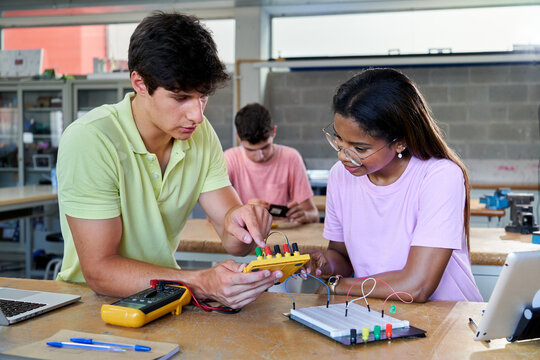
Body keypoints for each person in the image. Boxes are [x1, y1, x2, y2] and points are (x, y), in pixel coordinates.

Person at [56, 11, 282, 309]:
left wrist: (245, 222)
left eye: (203, 97)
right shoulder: (91, 139)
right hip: (92, 305)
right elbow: (100, 272)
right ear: (139, 83)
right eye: (180, 98)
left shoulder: (200, 135)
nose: (197, 115)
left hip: (165, 299)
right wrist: (202, 282)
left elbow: (233, 241)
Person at [305, 68, 482, 302]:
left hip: (445, 320)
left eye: (359, 148)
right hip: (374, 310)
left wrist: (336, 284)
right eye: (338, 139)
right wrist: (325, 265)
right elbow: (343, 257)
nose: (343, 156)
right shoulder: (340, 175)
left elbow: (416, 286)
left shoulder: (440, 176)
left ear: (399, 143)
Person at [224, 103, 319, 224]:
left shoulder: (291, 158)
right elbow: (213, 217)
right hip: (243, 235)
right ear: (238, 138)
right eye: (251, 150)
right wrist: (244, 211)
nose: (260, 156)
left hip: (283, 236)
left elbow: (314, 215)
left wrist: (305, 216)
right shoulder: (229, 160)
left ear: (274, 131)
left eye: (265, 147)